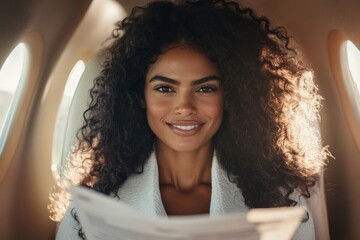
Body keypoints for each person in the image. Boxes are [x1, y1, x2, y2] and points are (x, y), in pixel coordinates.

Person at [49, 0, 330, 239]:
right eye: (164, 88)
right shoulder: (91, 208)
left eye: (205, 88)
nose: (184, 107)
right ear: (138, 96)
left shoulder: (283, 200)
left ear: (232, 96)